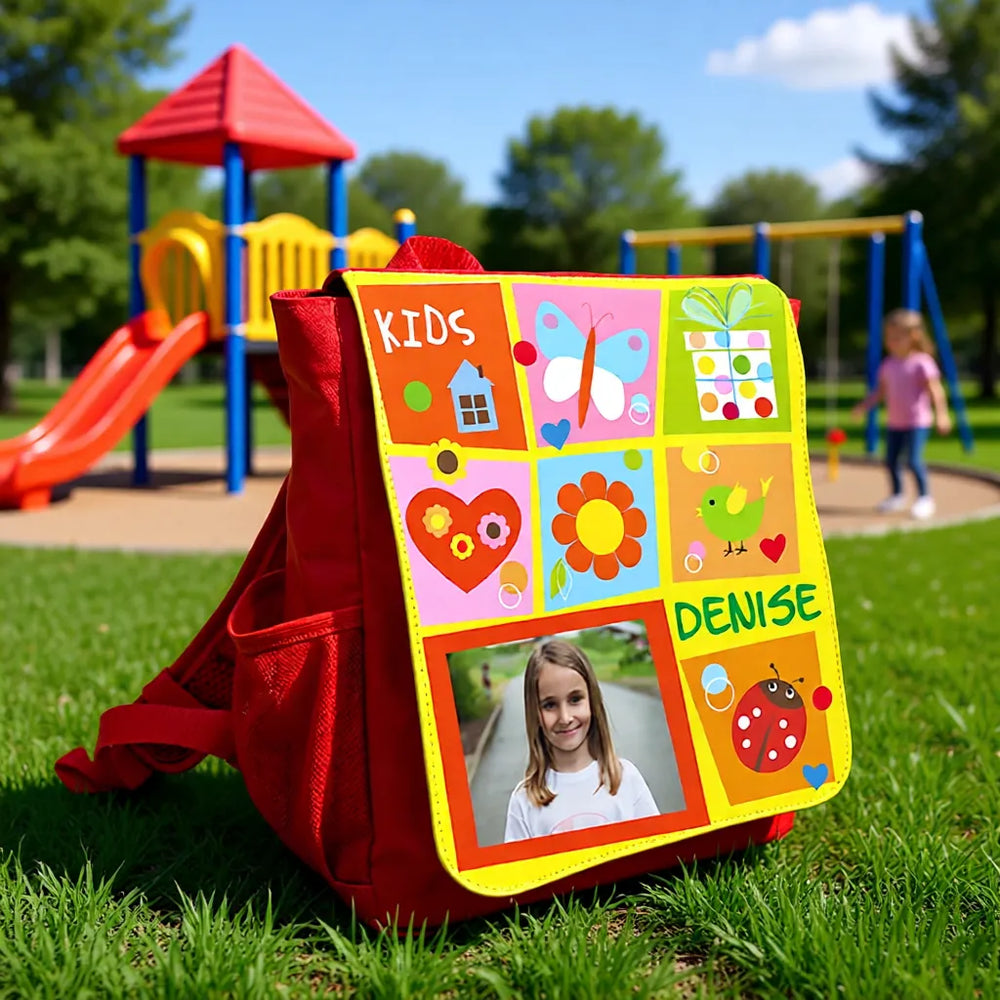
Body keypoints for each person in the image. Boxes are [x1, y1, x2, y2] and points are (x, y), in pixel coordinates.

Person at [504, 638, 659, 843]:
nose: (565, 717)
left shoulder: (625, 778)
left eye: (575, 699)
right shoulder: (523, 802)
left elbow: (658, 853)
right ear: (534, 712)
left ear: (592, 701)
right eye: (550, 705)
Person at [851, 308, 952, 519]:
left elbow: (935, 390)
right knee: (890, 460)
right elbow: (881, 391)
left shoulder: (922, 362)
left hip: (917, 421)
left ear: (913, 336)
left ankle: (925, 498)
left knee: (913, 460)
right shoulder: (889, 364)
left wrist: (942, 414)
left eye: (897, 337)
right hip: (895, 422)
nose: (891, 342)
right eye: (889, 337)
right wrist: (864, 405)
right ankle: (897, 495)